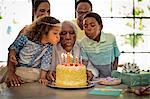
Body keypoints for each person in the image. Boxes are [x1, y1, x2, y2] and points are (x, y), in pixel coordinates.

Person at [5, 0, 51, 86]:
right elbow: (13, 49)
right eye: (42, 10)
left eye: (48, 11)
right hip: (20, 72)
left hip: (37, 77)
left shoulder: (50, 34)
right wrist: (11, 73)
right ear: (34, 11)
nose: (46, 14)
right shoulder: (26, 31)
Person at [6, 16, 61, 86]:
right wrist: (12, 55)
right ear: (44, 31)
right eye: (55, 33)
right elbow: (14, 46)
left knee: (36, 74)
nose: (58, 37)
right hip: (20, 67)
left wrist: (42, 77)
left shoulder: (49, 46)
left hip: (34, 70)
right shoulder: (26, 38)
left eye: (59, 33)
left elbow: (45, 62)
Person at [79, 12, 120, 78]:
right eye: (85, 26)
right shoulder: (83, 43)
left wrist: (114, 73)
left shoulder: (110, 38)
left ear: (101, 26)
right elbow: (85, 62)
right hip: (95, 77)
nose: (88, 29)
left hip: (111, 76)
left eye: (92, 25)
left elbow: (116, 56)